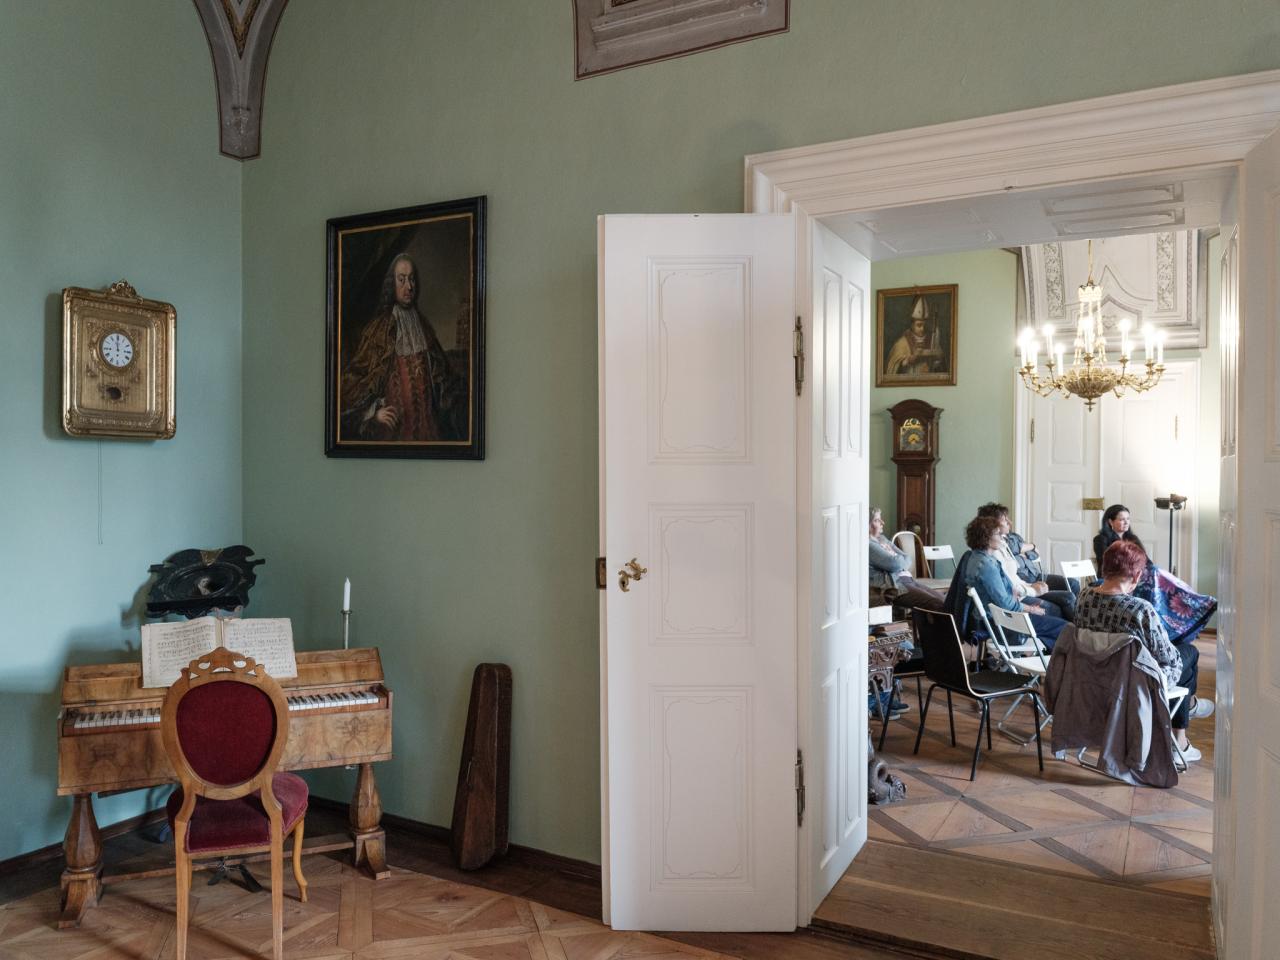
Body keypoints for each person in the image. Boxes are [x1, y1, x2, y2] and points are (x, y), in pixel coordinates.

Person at [1075, 539, 1214, 761]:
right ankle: (1181, 734)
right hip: (1135, 682)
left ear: (1104, 567)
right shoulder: (1140, 609)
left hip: (1094, 677)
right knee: (1189, 653)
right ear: (1138, 575)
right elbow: (1169, 659)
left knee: (1179, 656)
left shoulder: (1084, 596)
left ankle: (1188, 707)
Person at [340, 253, 466, 441]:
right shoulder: (379, 330)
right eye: (402, 279)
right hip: (392, 434)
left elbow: (444, 378)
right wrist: (373, 412)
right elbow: (353, 382)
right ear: (392, 284)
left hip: (429, 433)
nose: (409, 286)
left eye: (412, 279)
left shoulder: (423, 326)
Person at [1094, 504, 1217, 644]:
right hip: (1116, 577)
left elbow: (1146, 562)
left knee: (1155, 571)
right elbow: (1107, 563)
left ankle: (1172, 621)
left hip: (1137, 577)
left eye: (1128, 519)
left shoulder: (1132, 538)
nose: (1126, 522)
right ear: (1110, 521)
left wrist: (1144, 572)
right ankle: (1169, 621)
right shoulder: (1100, 539)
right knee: (1154, 576)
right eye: (1122, 519)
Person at [945, 515, 1069, 648]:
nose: (1002, 538)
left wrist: (1017, 595)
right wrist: (1031, 609)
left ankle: (1044, 656)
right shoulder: (987, 566)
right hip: (1004, 623)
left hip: (997, 618)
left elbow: (1002, 596)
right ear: (986, 538)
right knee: (1066, 629)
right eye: (998, 534)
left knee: (1056, 630)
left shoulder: (975, 557)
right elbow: (1005, 604)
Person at [975, 502, 1075, 620]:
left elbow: (1033, 555)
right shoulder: (992, 554)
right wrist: (1033, 590)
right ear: (992, 524)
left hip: (1025, 587)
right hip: (1018, 597)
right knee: (1058, 607)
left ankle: (1075, 628)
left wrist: (1031, 586)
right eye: (1005, 520)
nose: (1010, 523)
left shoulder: (1003, 542)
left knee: (1069, 594)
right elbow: (1008, 589)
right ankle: (1072, 629)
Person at [867, 507, 946, 612]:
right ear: (867, 525)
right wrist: (898, 559)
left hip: (908, 579)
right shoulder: (868, 545)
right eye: (877, 520)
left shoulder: (882, 539)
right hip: (896, 585)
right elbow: (895, 564)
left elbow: (907, 557)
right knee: (936, 603)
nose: (883, 523)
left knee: (945, 601)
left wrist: (898, 559)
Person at [884, 295, 944, 376]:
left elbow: (941, 366)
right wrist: (907, 361)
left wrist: (936, 362)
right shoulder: (902, 344)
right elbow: (891, 367)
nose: (922, 328)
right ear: (912, 325)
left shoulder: (932, 341)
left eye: (924, 325)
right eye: (919, 325)